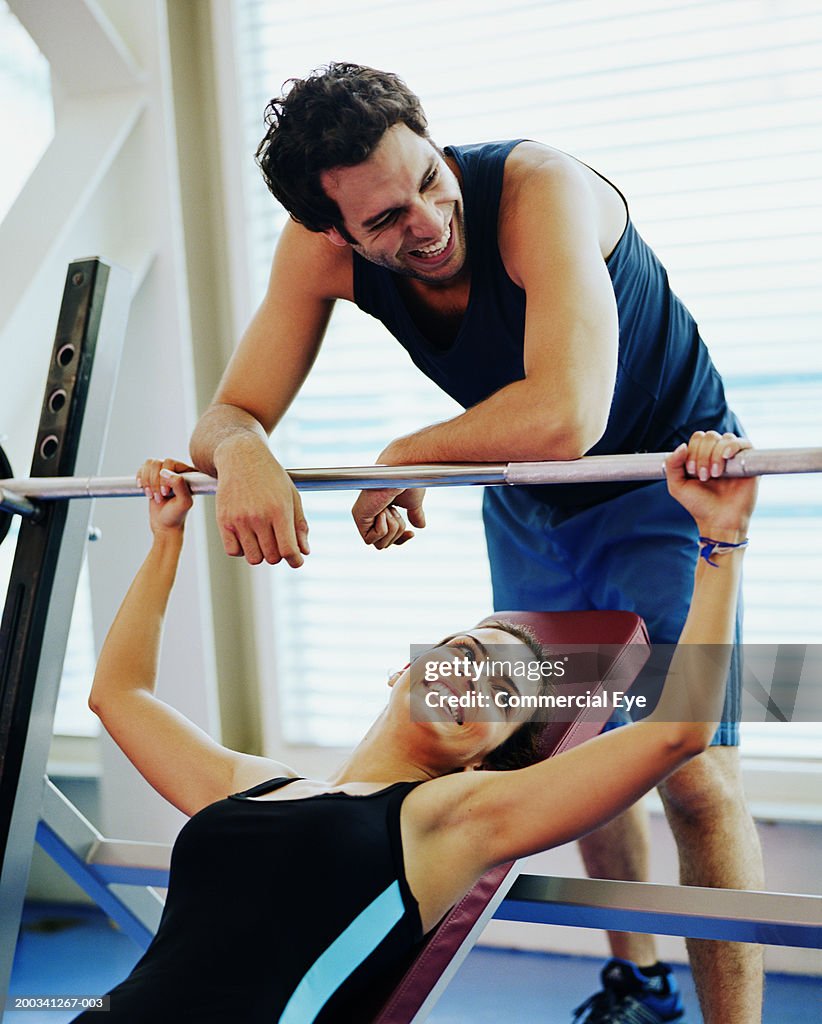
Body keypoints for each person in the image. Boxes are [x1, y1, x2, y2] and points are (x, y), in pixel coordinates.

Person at [186, 63, 764, 1023]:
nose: (425, 220)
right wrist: (242, 449)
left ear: (429, 134)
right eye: (383, 221)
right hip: (531, 501)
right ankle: (643, 987)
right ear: (336, 235)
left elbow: (567, 415)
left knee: (694, 778)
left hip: (671, 488)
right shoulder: (316, 249)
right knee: (571, 760)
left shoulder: (540, 188)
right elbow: (230, 410)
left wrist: (408, 451)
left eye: (427, 177)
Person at [78, 434, 755, 1024]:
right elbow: (118, 695)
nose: (472, 677)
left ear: (489, 758)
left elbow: (680, 732)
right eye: (466, 652)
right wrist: (166, 539)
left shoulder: (452, 817)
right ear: (400, 671)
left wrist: (721, 541)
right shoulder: (255, 785)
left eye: (501, 693)